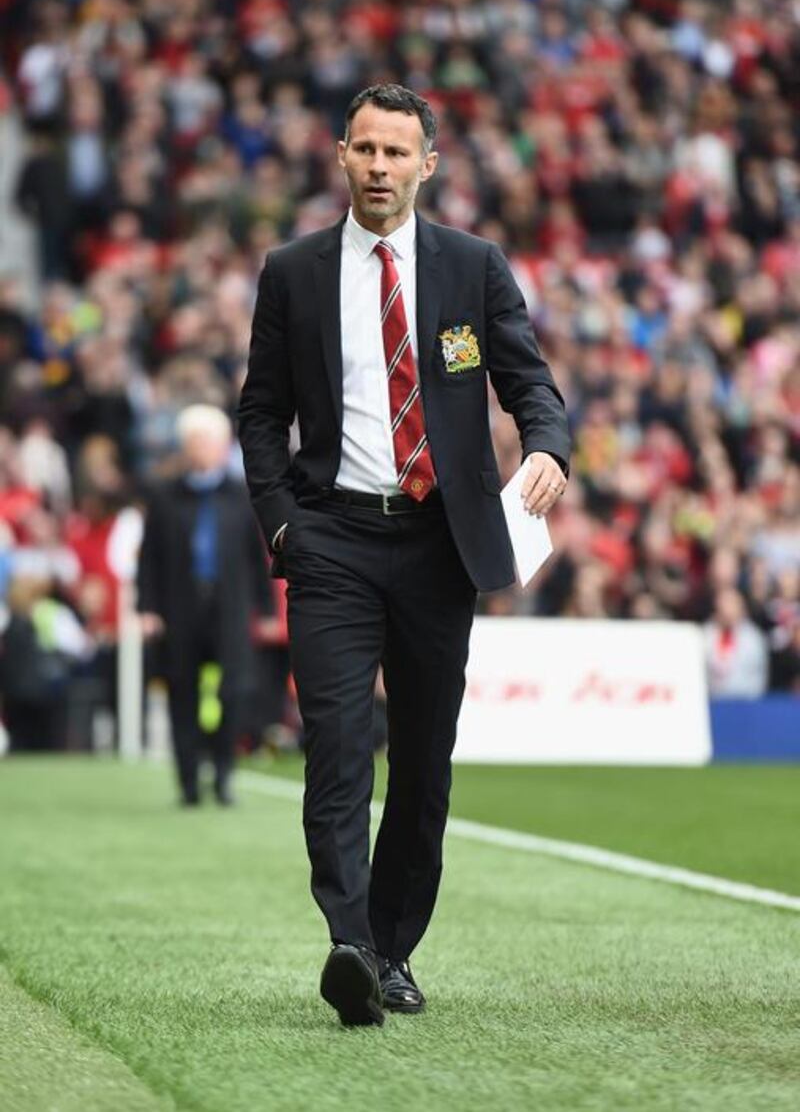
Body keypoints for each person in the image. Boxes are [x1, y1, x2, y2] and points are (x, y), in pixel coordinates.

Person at [238, 84, 570, 1027]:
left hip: (439, 543)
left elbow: (527, 379)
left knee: (423, 762)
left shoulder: (473, 267)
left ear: (429, 164)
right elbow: (260, 414)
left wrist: (546, 447)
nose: (380, 167)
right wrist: (282, 522)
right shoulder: (293, 271)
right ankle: (348, 940)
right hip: (331, 536)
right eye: (366, 150)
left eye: (399, 153)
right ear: (340, 155)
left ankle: (390, 948)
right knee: (338, 745)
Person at [137, 404, 271, 806]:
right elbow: (150, 558)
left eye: (210, 441)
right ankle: (189, 780)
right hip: (180, 607)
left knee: (232, 691)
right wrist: (147, 606)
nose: (203, 449)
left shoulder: (241, 496)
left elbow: (255, 556)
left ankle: (225, 774)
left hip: (229, 608)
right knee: (182, 690)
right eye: (195, 441)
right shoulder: (164, 496)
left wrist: (264, 610)